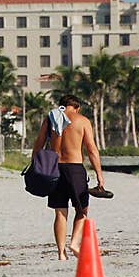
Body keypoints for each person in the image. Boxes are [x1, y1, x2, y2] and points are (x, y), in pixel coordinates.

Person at [31, 94, 106, 261]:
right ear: (77, 107)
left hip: (54, 168)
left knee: (60, 212)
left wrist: (35, 166)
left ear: (62, 106)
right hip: (75, 169)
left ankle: (61, 253)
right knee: (82, 210)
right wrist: (99, 176)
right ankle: (74, 243)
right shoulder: (83, 120)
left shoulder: (51, 118)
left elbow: (38, 144)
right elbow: (92, 150)